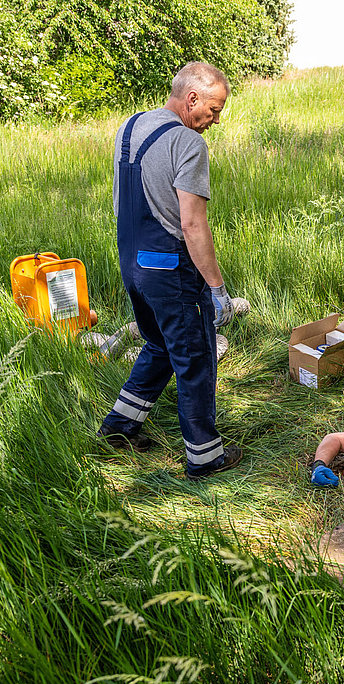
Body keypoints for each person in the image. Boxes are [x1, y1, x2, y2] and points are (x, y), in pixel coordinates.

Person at [97, 62, 243, 480]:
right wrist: (216, 287)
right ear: (192, 98)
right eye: (214, 110)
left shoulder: (130, 127)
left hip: (132, 263)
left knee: (159, 345)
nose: (215, 121)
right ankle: (204, 456)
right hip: (171, 270)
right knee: (195, 358)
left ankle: (119, 429)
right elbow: (192, 224)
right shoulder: (188, 144)